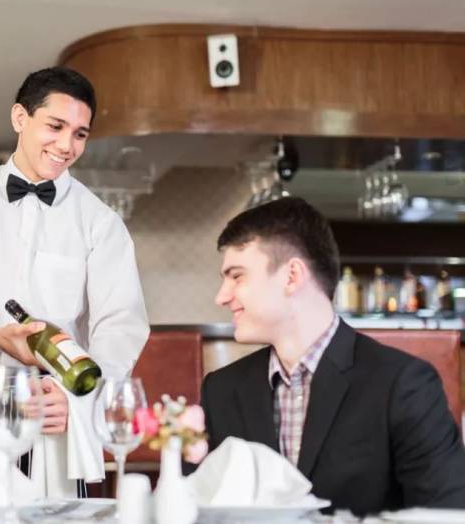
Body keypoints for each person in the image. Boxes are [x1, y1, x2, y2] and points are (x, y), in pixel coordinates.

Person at [0, 66, 149, 495]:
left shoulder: (101, 222)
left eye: (80, 134)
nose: (66, 145)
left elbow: (120, 324)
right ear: (20, 117)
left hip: (49, 401)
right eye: (55, 126)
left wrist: (81, 399)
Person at [199, 197, 465, 516]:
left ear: (292, 276)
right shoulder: (220, 390)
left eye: (237, 276)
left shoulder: (403, 384)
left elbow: (446, 515)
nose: (222, 296)